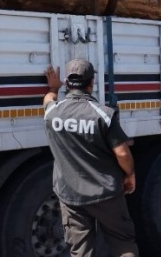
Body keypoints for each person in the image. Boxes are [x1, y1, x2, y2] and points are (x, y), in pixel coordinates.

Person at [43, 59, 139, 257]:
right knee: (122, 242)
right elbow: (122, 152)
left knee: (81, 251)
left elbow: (48, 99)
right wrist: (130, 174)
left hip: (70, 195)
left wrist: (54, 88)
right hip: (106, 193)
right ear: (91, 83)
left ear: (68, 83)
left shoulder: (52, 113)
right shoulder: (103, 115)